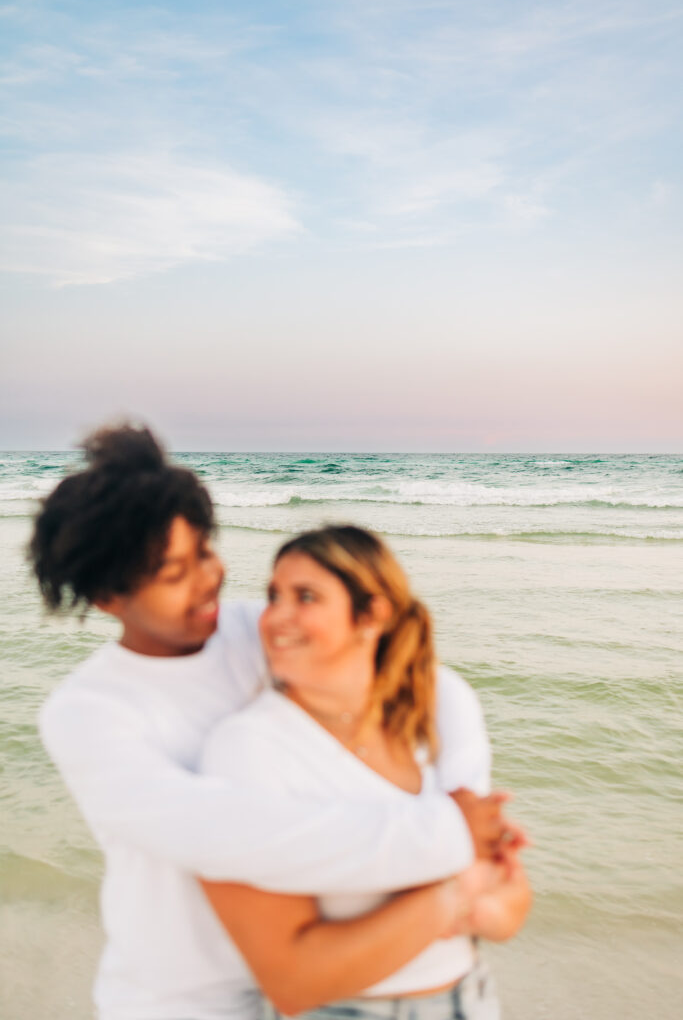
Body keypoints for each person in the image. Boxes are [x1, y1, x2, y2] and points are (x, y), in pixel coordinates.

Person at [34, 424, 519, 1020]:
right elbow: (228, 834)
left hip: (322, 985)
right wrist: (449, 840)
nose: (209, 580)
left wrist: (462, 791)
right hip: (182, 1003)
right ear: (109, 597)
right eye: (174, 574)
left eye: (206, 553)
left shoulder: (249, 632)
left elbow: (406, 672)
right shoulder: (89, 714)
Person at [199, 525, 531, 1019]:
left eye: (305, 596)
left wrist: (479, 904)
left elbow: (507, 892)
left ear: (372, 614)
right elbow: (292, 981)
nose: (274, 618)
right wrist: (454, 894)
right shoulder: (249, 748)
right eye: (274, 596)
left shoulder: (440, 705)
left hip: (470, 998)